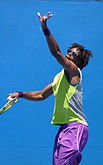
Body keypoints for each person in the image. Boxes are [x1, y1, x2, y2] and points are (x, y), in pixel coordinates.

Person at [8, 12, 92, 165]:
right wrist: (20, 94)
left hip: (75, 127)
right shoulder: (59, 78)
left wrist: (45, 29)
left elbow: (56, 52)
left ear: (79, 62)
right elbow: (41, 95)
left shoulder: (74, 72)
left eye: (74, 54)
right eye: (69, 51)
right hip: (64, 129)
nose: (69, 55)